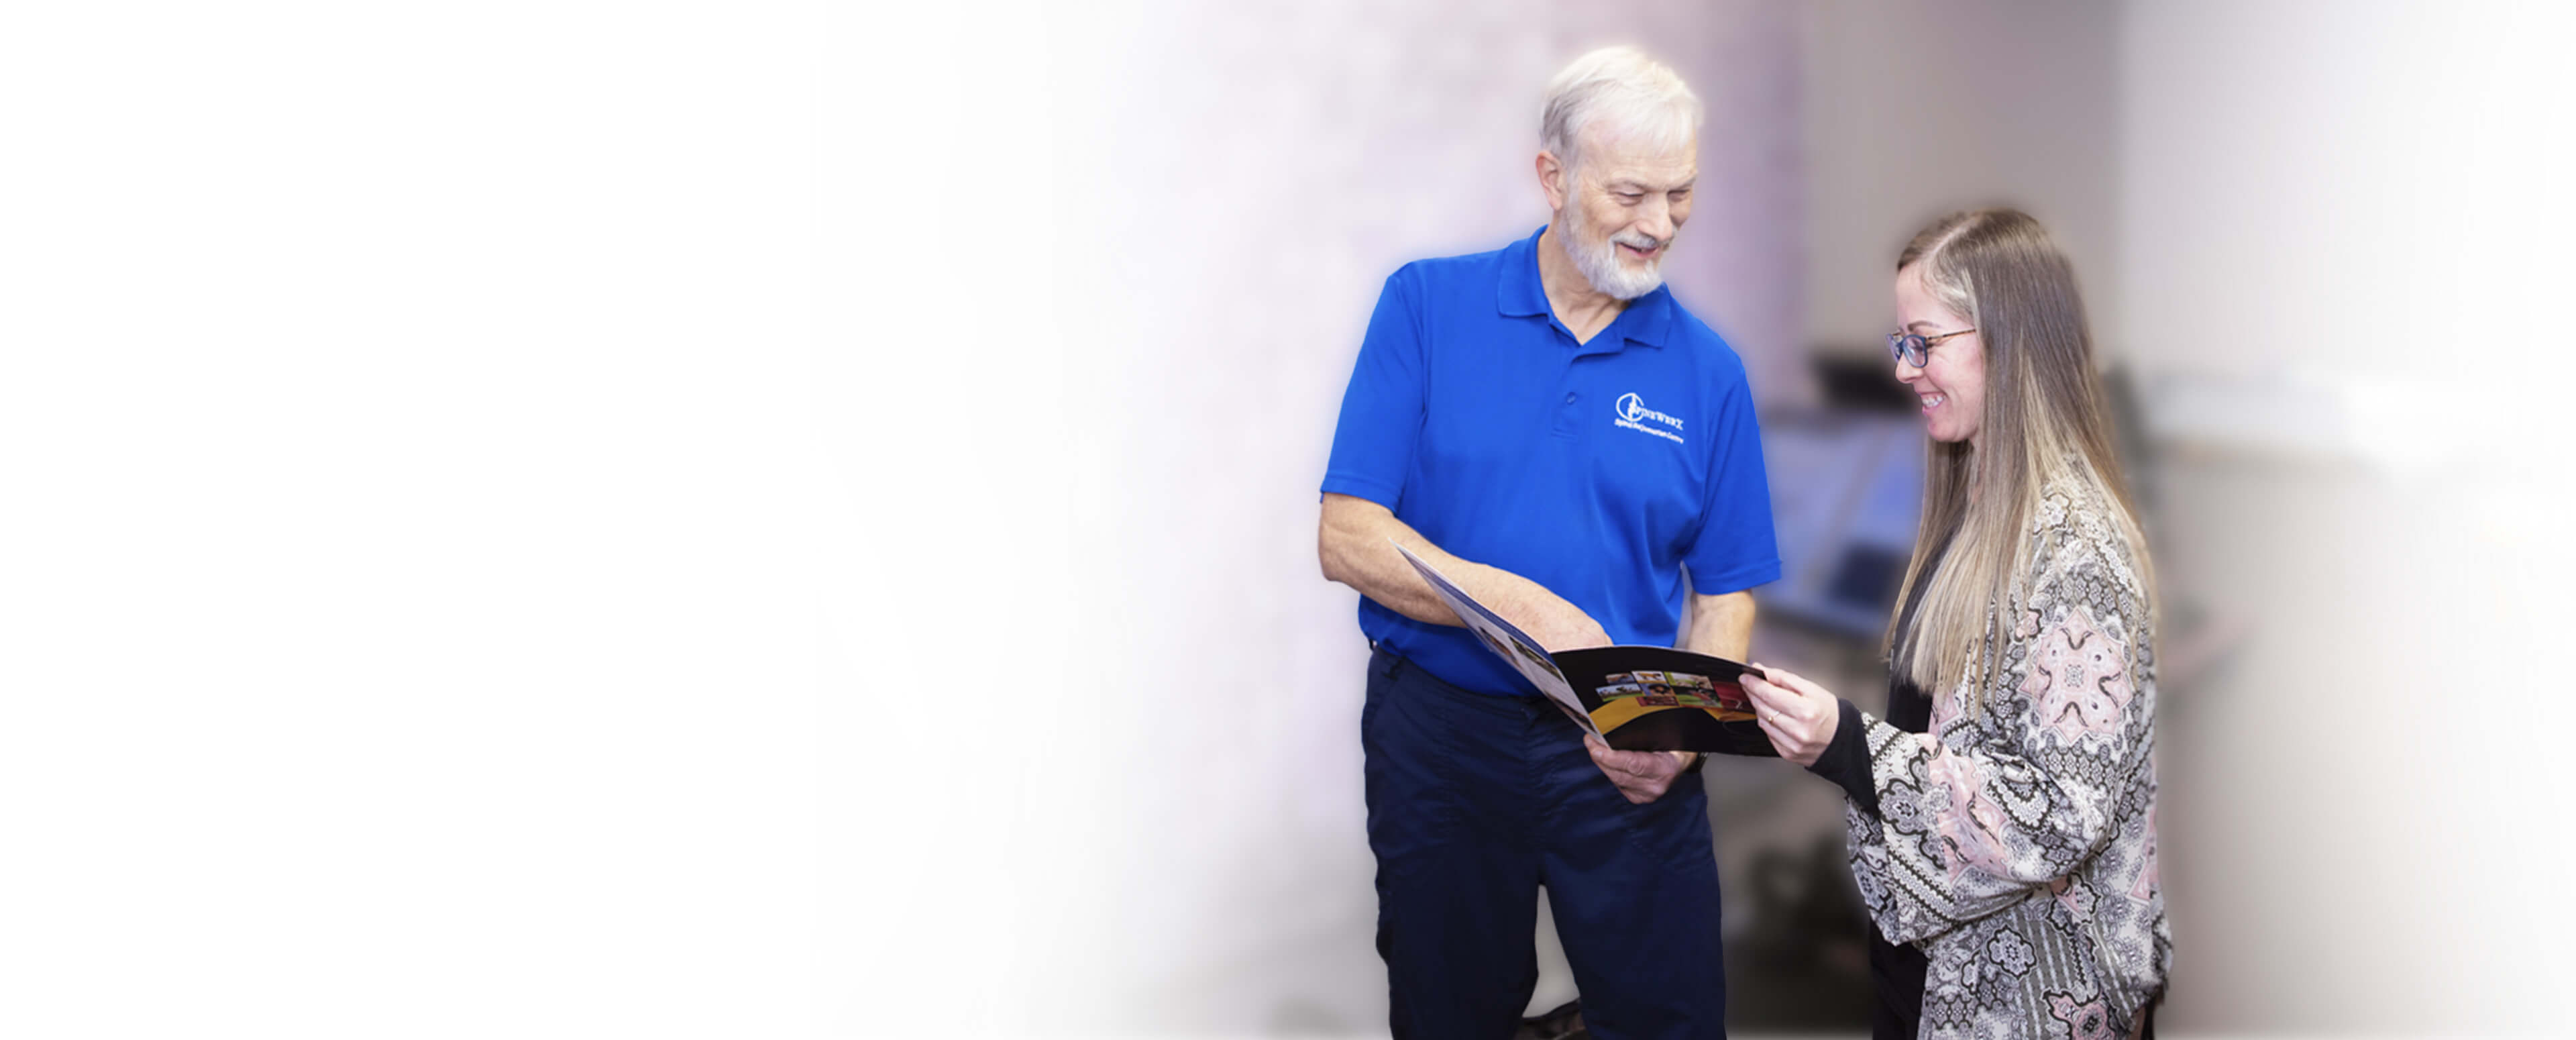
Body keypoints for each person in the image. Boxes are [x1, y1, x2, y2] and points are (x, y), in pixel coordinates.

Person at [1316, 47, 1779, 1039]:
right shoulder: (1426, 307)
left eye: (1682, 194)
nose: (1661, 223)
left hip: (1621, 744)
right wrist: (1515, 605)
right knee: (1448, 1012)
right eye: (1632, 192)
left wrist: (1685, 731)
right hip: (1439, 737)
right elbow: (1347, 534)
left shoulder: (1710, 373)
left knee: (1668, 1017)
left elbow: (1729, 589)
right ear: (1554, 177)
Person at [1739, 209, 2171, 1039]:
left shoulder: (2076, 550)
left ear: (2007, 341)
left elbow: (2057, 811)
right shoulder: (1977, 508)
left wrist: (1845, 742)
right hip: (1938, 971)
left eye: (1923, 342)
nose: (1905, 371)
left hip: (2027, 999)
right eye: (1903, 344)